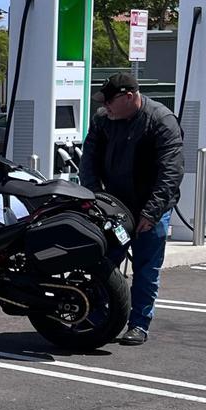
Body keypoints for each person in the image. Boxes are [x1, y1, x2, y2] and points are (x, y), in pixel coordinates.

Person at [77, 70, 183, 347]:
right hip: (113, 208)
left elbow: (170, 173)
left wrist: (151, 212)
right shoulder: (103, 120)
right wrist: (95, 199)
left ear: (129, 97)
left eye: (110, 101)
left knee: (147, 269)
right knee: (104, 263)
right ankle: (99, 314)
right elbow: (88, 161)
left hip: (150, 208)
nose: (105, 106)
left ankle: (138, 325)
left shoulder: (161, 121)